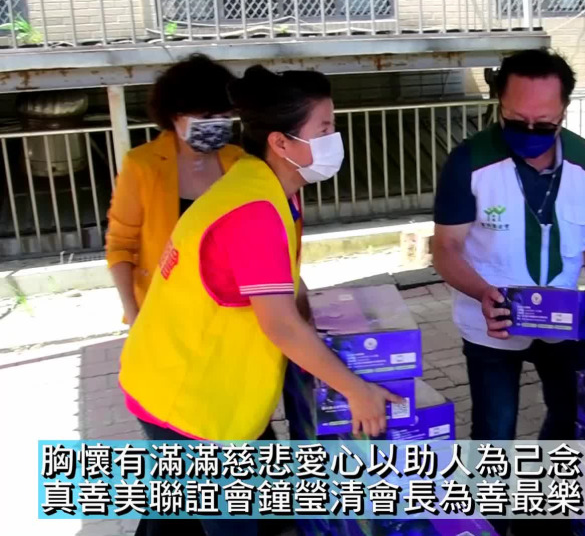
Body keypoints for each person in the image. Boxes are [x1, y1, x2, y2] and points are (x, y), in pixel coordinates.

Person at [119, 65, 401, 536]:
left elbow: (279, 281)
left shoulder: (264, 186)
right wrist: (355, 390)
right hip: (189, 401)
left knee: (171, 515)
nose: (334, 139)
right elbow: (280, 324)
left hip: (173, 381)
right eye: (324, 129)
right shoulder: (254, 210)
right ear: (281, 143)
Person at [432, 48, 585, 534]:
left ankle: (542, 520)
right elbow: (445, 248)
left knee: (571, 418)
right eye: (516, 119)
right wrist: (483, 293)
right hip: (491, 323)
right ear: (499, 103)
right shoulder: (469, 161)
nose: (529, 130)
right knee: (495, 431)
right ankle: (492, 525)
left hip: (564, 320)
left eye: (544, 122)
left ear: (564, 111)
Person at [106, 54, 244, 325]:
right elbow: (121, 246)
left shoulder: (241, 163)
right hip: (164, 309)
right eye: (207, 116)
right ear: (175, 116)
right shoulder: (142, 165)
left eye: (225, 115)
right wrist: (134, 315)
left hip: (230, 308)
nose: (217, 123)